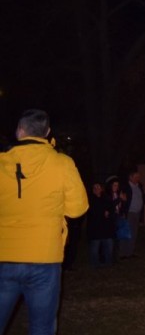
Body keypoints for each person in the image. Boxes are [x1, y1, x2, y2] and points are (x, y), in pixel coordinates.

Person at [0, 109, 89, 335]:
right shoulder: (62, 163)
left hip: (3, 255)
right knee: (42, 328)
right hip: (44, 257)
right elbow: (78, 209)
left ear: (19, 131)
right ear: (47, 133)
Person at [87, 182, 116, 268]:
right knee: (95, 247)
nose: (97, 189)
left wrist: (108, 211)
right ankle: (95, 264)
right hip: (95, 227)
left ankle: (108, 263)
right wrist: (102, 212)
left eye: (98, 187)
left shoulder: (106, 198)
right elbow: (92, 211)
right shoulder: (91, 199)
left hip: (106, 227)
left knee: (108, 246)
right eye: (95, 187)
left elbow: (111, 207)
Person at [118, 170, 143, 259]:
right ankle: (122, 253)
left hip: (137, 213)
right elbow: (121, 199)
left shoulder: (139, 186)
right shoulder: (125, 187)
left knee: (134, 233)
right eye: (136, 177)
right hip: (128, 213)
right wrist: (123, 211)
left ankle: (130, 252)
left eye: (138, 177)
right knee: (125, 232)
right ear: (130, 177)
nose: (138, 179)